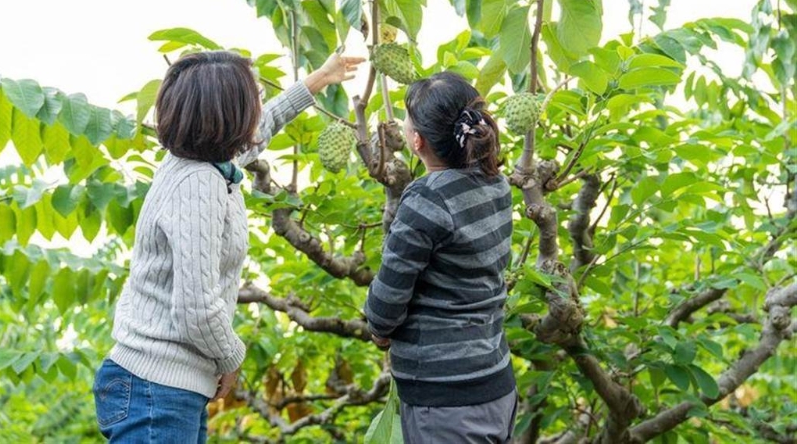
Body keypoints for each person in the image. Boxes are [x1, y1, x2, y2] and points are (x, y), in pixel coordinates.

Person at [92, 49, 364, 443]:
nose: (258, 105)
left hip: (165, 388)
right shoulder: (198, 184)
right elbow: (196, 308)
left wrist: (320, 78)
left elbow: (266, 124)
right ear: (227, 115)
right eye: (251, 97)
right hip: (155, 389)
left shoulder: (206, 163)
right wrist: (232, 358)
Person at [364, 72, 518, 443]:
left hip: (445, 398)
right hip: (495, 381)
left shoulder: (427, 199)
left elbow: (390, 291)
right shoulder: (497, 184)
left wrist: (379, 328)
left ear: (416, 141)